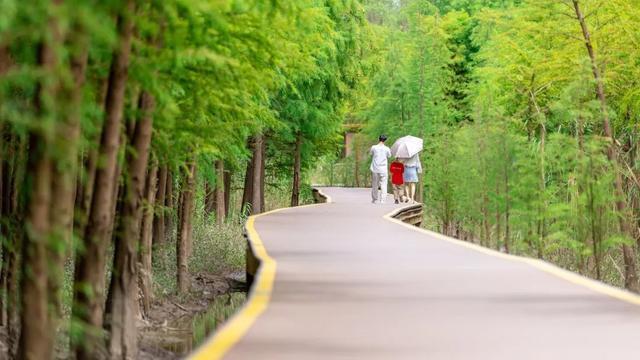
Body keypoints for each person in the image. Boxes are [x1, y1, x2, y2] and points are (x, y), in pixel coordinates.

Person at [369, 135, 391, 204]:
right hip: (383, 169)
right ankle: (383, 200)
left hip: (375, 168)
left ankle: (374, 199)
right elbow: (389, 156)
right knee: (384, 184)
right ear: (385, 140)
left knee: (375, 184)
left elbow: (371, 154)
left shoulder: (374, 147)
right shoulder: (387, 148)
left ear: (379, 139)